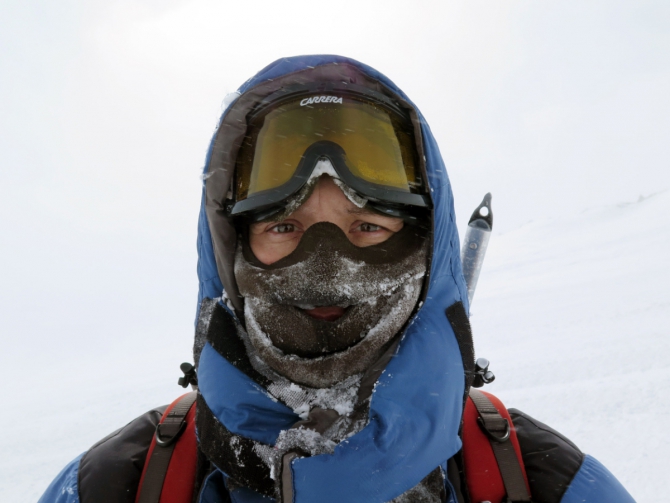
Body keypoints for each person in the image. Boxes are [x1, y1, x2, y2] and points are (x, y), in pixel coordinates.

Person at [39, 55, 635, 503]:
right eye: (285, 226)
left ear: (426, 251)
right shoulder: (114, 485)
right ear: (230, 252)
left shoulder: (546, 483)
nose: (325, 267)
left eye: (368, 227)